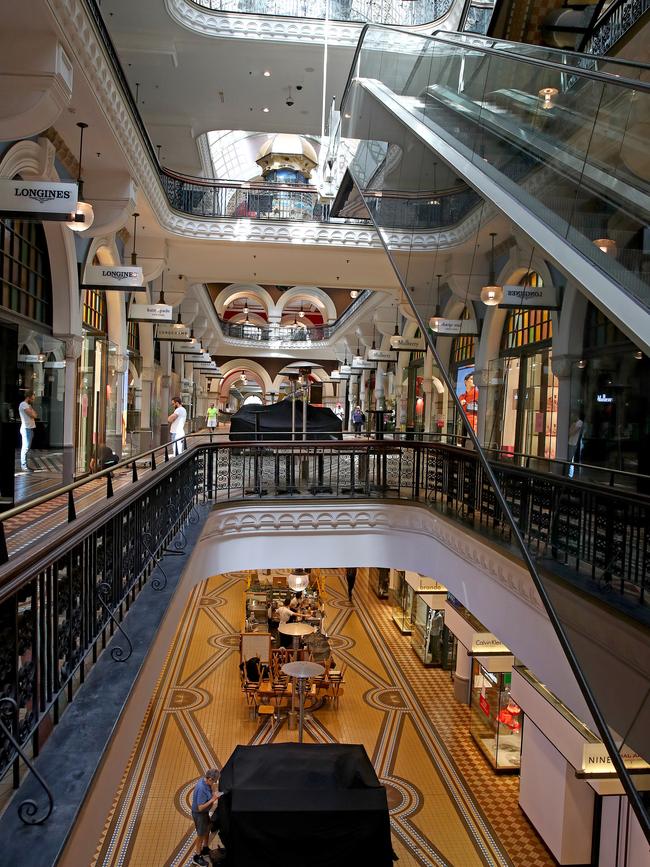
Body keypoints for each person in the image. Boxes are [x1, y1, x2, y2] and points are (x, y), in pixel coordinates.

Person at [191, 768, 221, 866]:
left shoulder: (205, 782)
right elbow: (200, 807)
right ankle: (197, 856)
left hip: (204, 813)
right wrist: (213, 799)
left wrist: (213, 793)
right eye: (214, 781)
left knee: (207, 829)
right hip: (199, 814)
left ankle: (205, 848)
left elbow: (210, 791)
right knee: (200, 835)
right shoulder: (201, 788)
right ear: (210, 779)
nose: (214, 783)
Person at [18, 392, 37, 472]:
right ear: (28, 397)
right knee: (25, 448)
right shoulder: (23, 404)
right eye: (32, 397)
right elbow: (33, 415)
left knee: (27, 448)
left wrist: (33, 412)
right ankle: (24, 466)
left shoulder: (28, 405)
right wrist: (32, 413)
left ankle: (25, 465)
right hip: (26, 429)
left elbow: (35, 415)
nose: (33, 399)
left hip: (30, 429)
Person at [568, 413, 585, 478]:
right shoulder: (575, 423)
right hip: (572, 442)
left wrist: (573, 426)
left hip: (574, 442)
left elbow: (572, 432)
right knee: (571, 456)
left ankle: (573, 474)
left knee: (571, 457)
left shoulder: (579, 422)